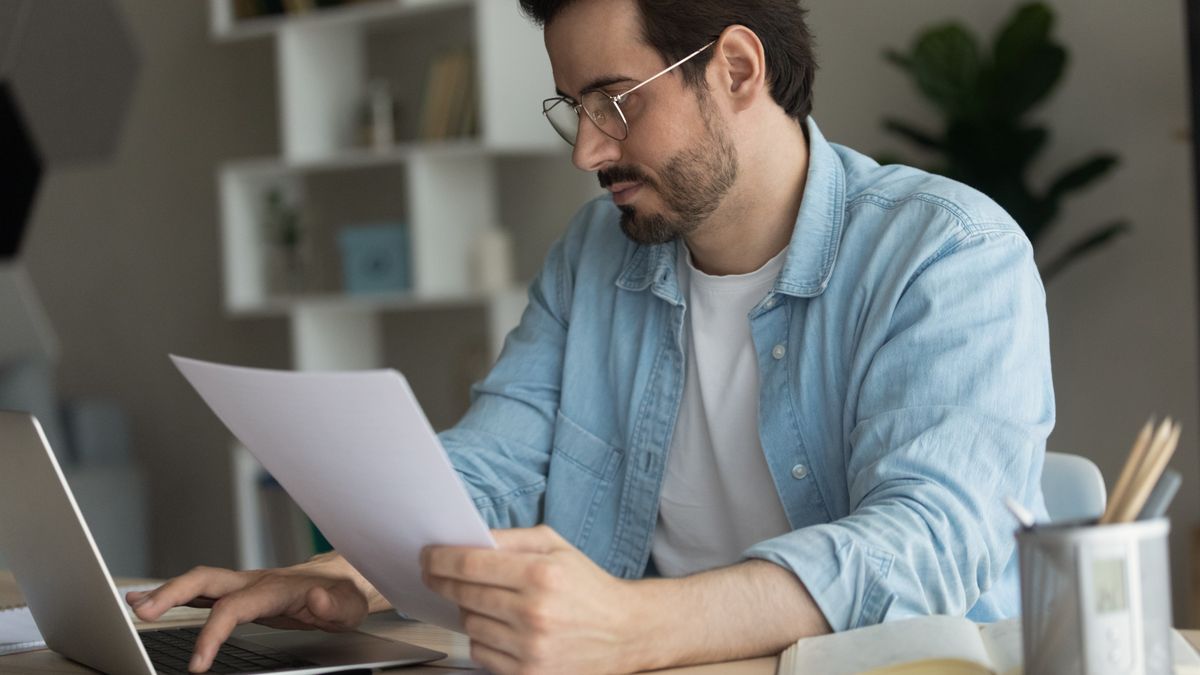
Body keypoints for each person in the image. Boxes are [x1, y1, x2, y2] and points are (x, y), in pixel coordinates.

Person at [128, 1, 1054, 673]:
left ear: (736, 68)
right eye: (574, 106)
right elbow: (495, 467)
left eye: (616, 99)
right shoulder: (595, 254)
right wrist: (342, 575)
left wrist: (632, 627)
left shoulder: (947, 251)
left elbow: (925, 541)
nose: (587, 151)